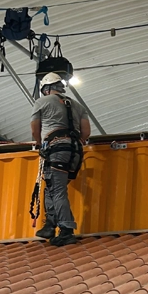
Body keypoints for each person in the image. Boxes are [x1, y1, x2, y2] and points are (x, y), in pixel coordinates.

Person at [31, 72, 91, 246]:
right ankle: (50, 225)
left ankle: (66, 230)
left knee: (57, 190)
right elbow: (86, 133)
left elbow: (35, 129)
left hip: (56, 148)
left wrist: (39, 144)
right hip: (75, 151)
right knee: (51, 187)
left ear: (46, 89)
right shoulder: (78, 106)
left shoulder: (41, 102)